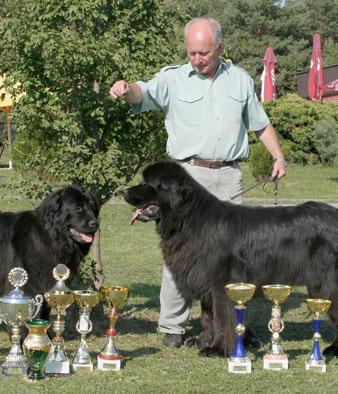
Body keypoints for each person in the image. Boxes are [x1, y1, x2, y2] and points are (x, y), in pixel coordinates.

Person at [109, 17, 287, 348]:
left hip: (228, 177)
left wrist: (278, 156)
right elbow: (142, 93)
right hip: (187, 180)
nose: (197, 59)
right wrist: (126, 88)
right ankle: (172, 327)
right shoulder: (173, 78)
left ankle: (229, 328)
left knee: (231, 260)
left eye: (203, 53)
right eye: (191, 52)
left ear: (219, 47)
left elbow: (260, 124)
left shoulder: (240, 81)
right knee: (181, 253)